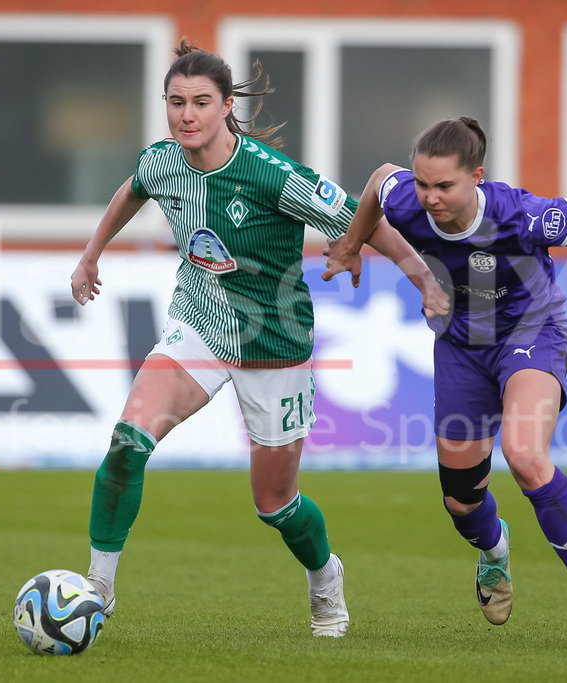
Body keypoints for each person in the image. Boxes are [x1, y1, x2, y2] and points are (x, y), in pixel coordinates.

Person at [70, 39, 438, 638]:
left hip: (275, 344)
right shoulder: (163, 160)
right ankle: (98, 588)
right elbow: (133, 188)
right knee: (127, 441)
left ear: (224, 108)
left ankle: (325, 576)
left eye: (200, 103)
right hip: (200, 323)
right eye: (175, 102)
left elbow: (358, 218)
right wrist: (91, 255)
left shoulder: (270, 174)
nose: (186, 115)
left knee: (275, 505)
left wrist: (423, 278)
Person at [322, 116, 567, 647]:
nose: (430, 198)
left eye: (445, 186)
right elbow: (380, 179)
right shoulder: (406, 197)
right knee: (461, 503)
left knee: (524, 454)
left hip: (532, 333)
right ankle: (494, 549)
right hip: (460, 346)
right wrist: (354, 243)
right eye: (423, 184)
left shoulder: (520, 215)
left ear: (476, 176)